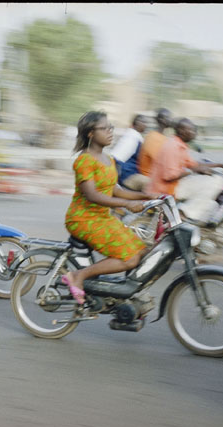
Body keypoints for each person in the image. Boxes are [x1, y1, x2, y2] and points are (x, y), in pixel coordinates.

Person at [59, 111, 156, 305]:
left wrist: (147, 196)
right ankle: (78, 276)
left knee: (142, 251)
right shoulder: (84, 160)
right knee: (130, 260)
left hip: (102, 218)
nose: (110, 131)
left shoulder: (108, 159)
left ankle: (118, 294)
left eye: (111, 127)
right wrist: (127, 204)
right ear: (90, 134)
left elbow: (116, 190)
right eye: (105, 128)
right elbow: (92, 195)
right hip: (83, 219)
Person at [148, 118, 223, 225]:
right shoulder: (173, 147)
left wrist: (220, 165)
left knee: (211, 194)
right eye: (192, 130)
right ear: (182, 131)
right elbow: (169, 176)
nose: (194, 133)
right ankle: (184, 213)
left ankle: (194, 217)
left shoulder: (179, 144)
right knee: (215, 182)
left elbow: (194, 165)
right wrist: (192, 172)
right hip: (166, 188)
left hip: (171, 185)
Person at [129, 108, 175, 192]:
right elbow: (161, 161)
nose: (171, 120)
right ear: (161, 120)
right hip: (149, 176)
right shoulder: (153, 137)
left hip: (159, 176)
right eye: (169, 117)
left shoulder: (163, 137)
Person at [112, 114, 149, 190]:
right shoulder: (132, 138)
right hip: (127, 176)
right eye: (143, 122)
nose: (146, 125)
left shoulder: (135, 136)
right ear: (136, 123)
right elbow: (117, 158)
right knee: (150, 184)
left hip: (130, 173)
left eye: (146, 122)